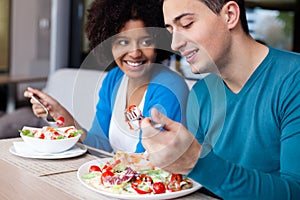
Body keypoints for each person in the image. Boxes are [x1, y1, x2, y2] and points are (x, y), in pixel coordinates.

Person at [141, 0, 300, 199]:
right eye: (171, 30)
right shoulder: (200, 94)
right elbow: (199, 186)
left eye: (187, 24)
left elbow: (295, 191)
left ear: (230, 15)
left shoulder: (294, 79)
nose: (175, 43)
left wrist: (196, 163)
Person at [24, 0, 189, 153]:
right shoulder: (114, 79)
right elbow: (100, 147)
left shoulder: (169, 87)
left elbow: (148, 161)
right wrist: (59, 113)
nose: (135, 53)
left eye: (145, 42)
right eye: (123, 42)